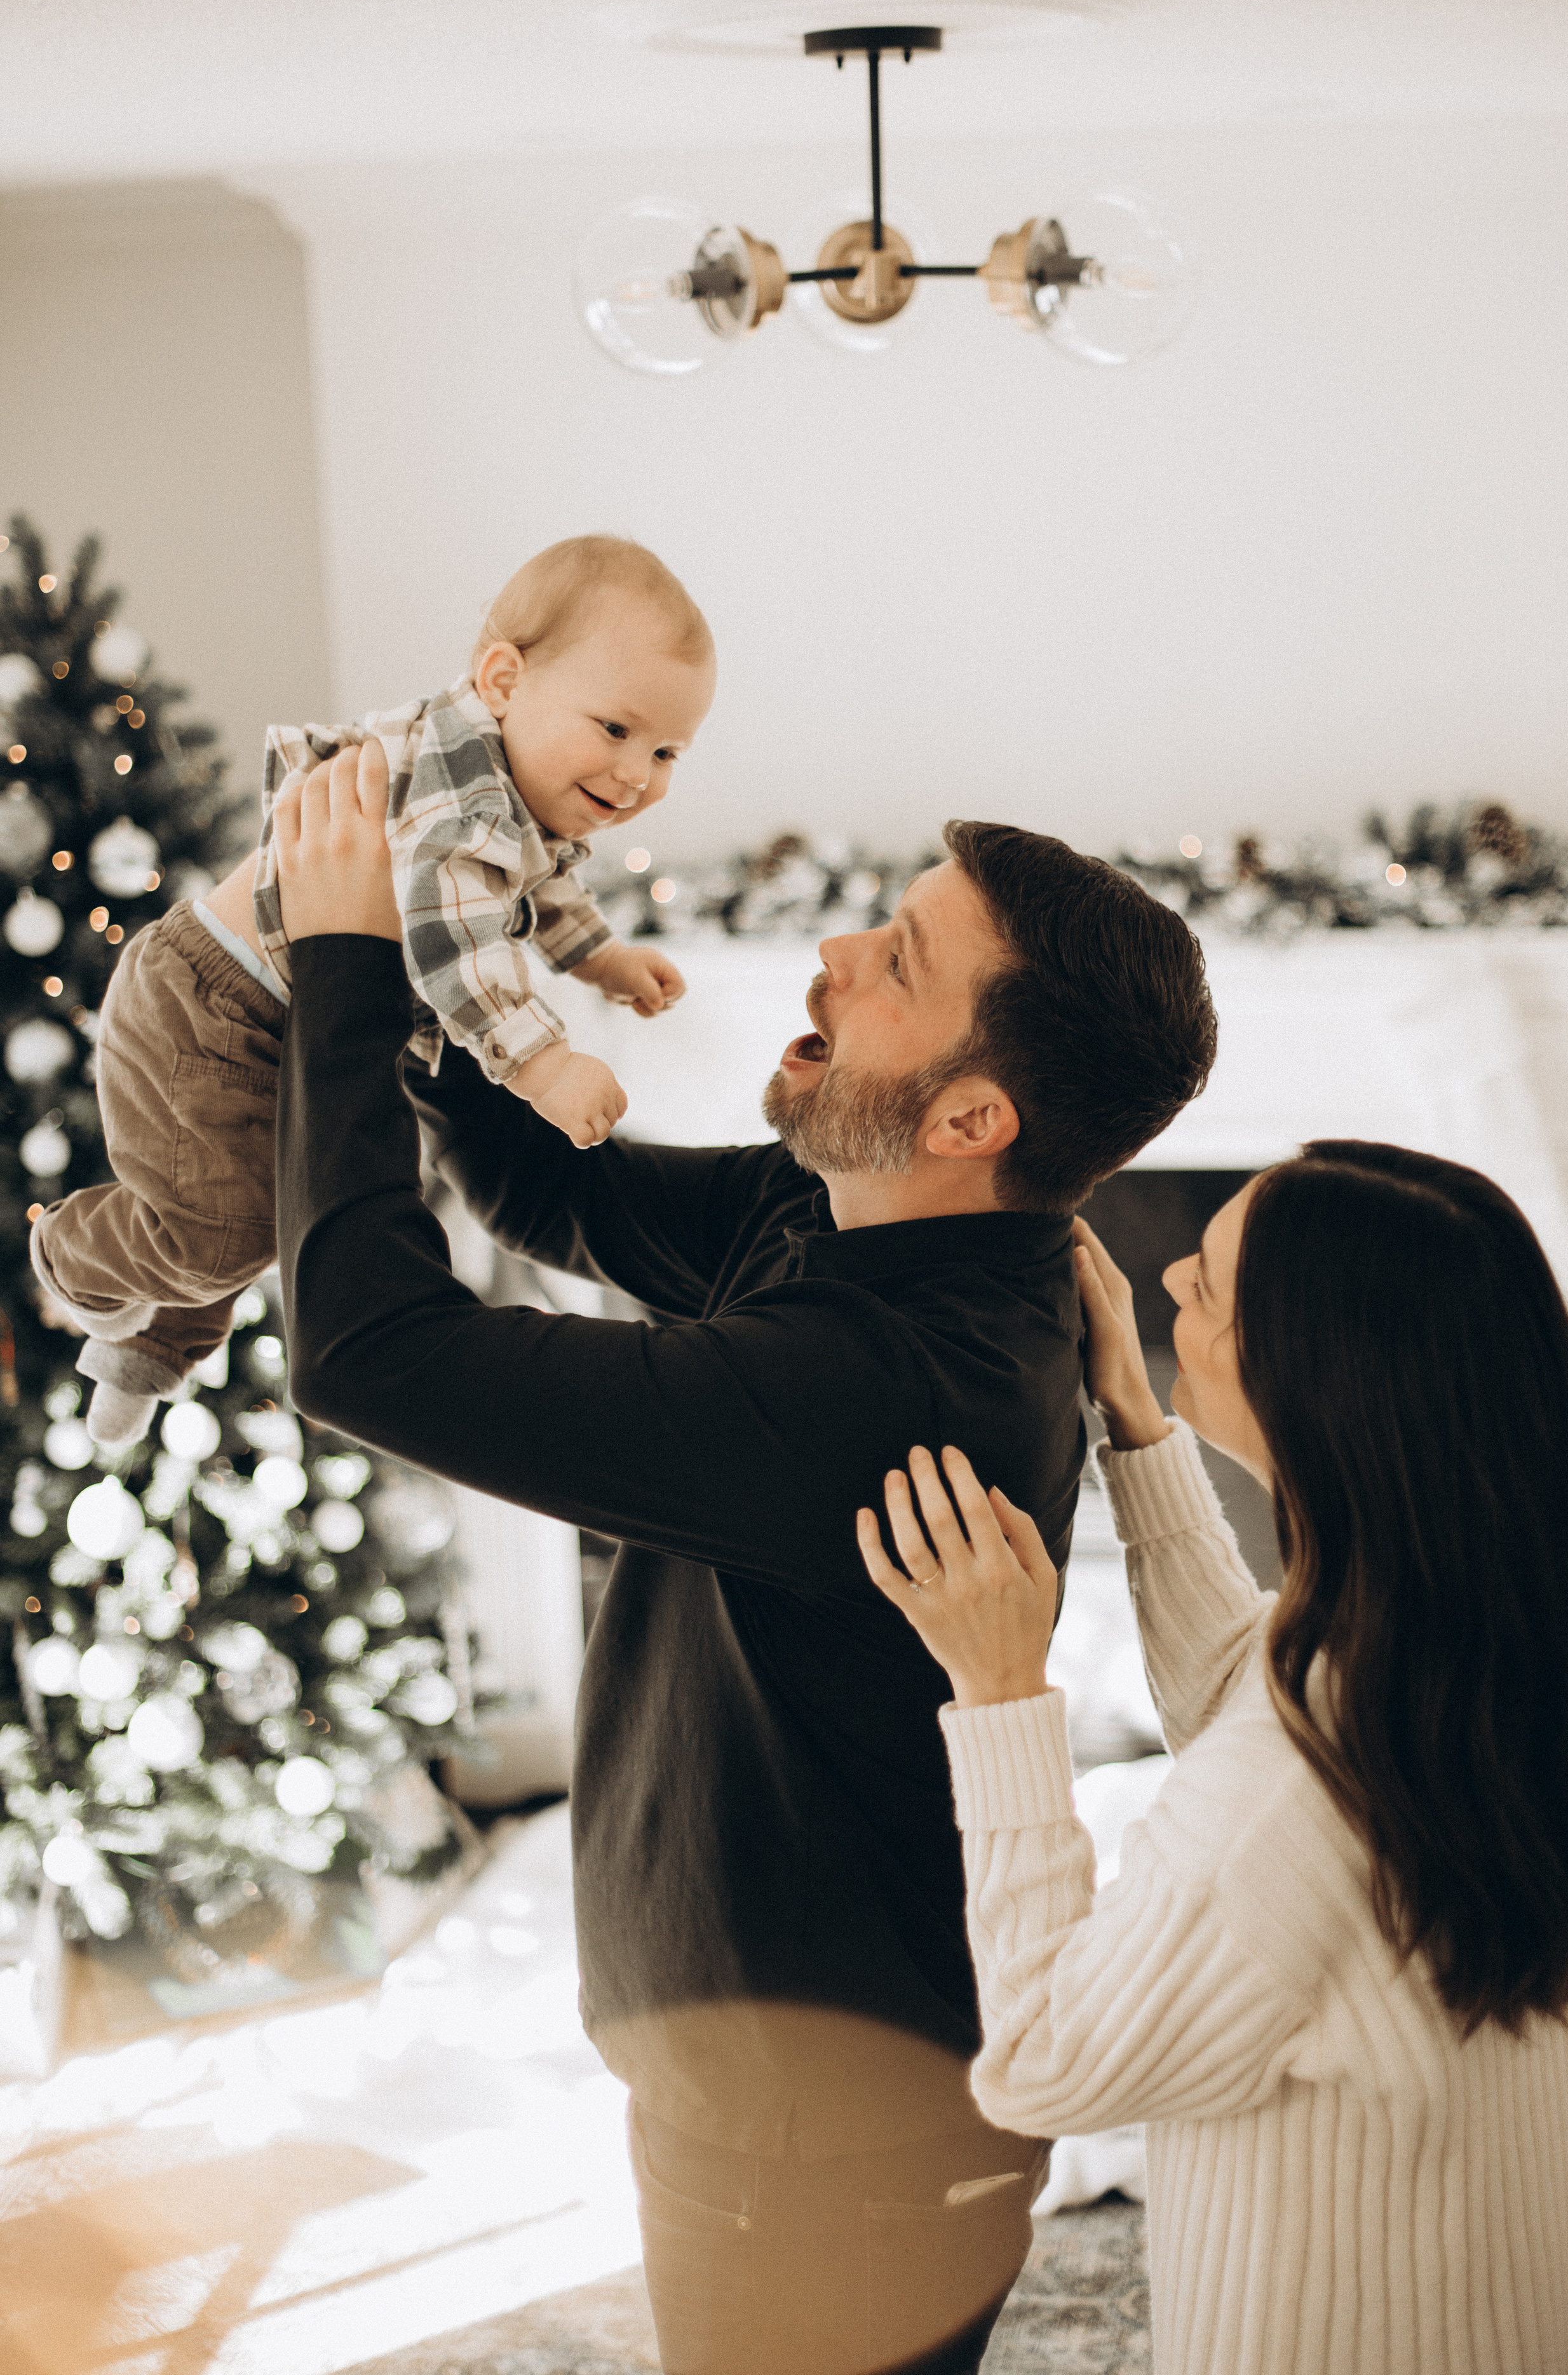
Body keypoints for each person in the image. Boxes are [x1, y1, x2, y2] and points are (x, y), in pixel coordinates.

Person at [269, 740, 1218, 2375]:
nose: (836, 956)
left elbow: (371, 1353)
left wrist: (339, 968)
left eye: (896, 963)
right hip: (777, 2092)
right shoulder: (849, 1202)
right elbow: (535, 1184)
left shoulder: (873, 1392)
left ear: (970, 1113)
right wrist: (444, 950)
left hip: (835, 2154)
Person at [861, 1154, 1568, 2375]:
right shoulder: (1491, 1661)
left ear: (1313, 1385)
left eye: (1207, 1285)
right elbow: (1244, 1691)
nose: (1166, 1274)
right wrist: (1138, 1423)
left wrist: (1001, 1691)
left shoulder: (1298, 1788)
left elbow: (1045, 2064)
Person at [31, 536, 708, 1445]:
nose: (637, 774)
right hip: (211, 1005)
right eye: (617, 730)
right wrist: (544, 1064)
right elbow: (455, 939)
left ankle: (136, 1362)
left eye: (668, 751)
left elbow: (540, 886)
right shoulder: (458, 799)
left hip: (262, 1014)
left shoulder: (511, 788)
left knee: (256, 1206)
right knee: (231, 1225)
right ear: (504, 680)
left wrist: (603, 959)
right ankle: (67, 1258)